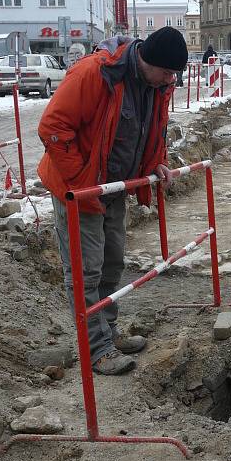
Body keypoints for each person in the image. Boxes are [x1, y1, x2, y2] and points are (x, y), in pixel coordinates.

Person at [38, 27, 188, 375]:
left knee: (112, 263)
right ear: (146, 60)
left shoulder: (157, 85)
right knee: (85, 270)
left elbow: (151, 130)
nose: (171, 80)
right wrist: (83, 185)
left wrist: (156, 163)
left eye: (173, 74)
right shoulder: (96, 73)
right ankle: (96, 349)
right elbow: (53, 128)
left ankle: (108, 330)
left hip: (114, 187)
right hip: (80, 190)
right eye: (167, 72)